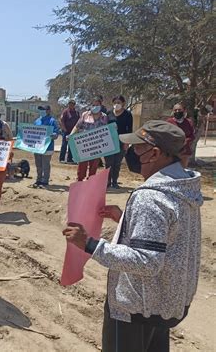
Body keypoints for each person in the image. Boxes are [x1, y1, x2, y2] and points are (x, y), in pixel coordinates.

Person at [63, 120, 202, 352]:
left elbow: (147, 261)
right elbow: (171, 235)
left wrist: (90, 244)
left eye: (137, 148)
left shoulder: (150, 197)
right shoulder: (184, 187)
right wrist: (126, 219)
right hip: (166, 301)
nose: (131, 153)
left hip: (136, 307)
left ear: (155, 153)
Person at [69, 98, 109, 181]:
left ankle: (90, 182)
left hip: (97, 145)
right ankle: (79, 180)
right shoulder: (85, 114)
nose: (95, 107)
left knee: (94, 165)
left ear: (101, 105)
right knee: (82, 165)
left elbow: (107, 130)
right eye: (93, 105)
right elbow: (77, 126)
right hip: (84, 145)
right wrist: (71, 135)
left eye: (97, 105)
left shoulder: (104, 117)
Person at [105, 95, 133, 189]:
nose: (117, 104)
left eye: (119, 102)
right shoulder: (108, 113)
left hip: (122, 141)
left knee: (117, 163)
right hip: (109, 141)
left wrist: (127, 143)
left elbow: (129, 129)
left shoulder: (128, 114)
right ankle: (107, 182)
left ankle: (114, 182)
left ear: (123, 103)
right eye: (115, 102)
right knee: (108, 163)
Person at [33, 105, 59, 188]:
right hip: (37, 147)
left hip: (47, 147)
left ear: (48, 110)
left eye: (43, 110)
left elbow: (56, 133)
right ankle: (39, 179)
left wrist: (53, 135)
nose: (42, 111)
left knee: (45, 164)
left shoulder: (52, 121)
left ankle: (45, 181)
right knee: (38, 164)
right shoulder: (37, 121)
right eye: (40, 110)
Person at [167, 102, 195, 168]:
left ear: (184, 111)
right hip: (173, 151)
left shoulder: (188, 122)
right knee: (172, 170)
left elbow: (192, 135)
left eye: (179, 110)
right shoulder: (169, 122)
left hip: (185, 151)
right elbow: (166, 135)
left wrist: (186, 141)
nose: (177, 111)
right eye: (175, 110)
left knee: (183, 169)